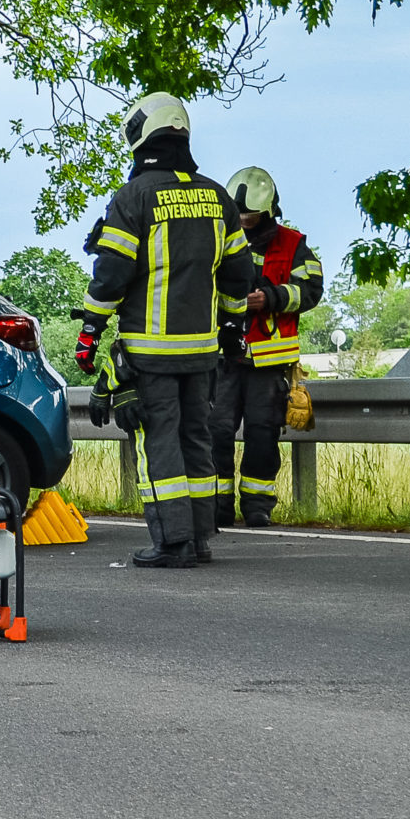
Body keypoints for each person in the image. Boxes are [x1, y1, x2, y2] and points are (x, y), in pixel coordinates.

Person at [73, 92, 253, 568]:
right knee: (196, 438)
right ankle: (198, 539)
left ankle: (171, 543)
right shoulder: (217, 197)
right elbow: (238, 277)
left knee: (159, 445)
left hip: (150, 353)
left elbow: (111, 275)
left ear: (141, 134)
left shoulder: (134, 198)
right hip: (201, 352)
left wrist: (90, 330)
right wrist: (233, 327)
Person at [211, 166, 324, 527]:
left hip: (269, 362)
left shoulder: (293, 244)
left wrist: (271, 297)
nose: (243, 220)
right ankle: (218, 504)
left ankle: (258, 505)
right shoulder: (218, 239)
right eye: (238, 214)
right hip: (224, 357)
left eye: (250, 215)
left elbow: (311, 290)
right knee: (217, 432)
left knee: (262, 434)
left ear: (269, 209)